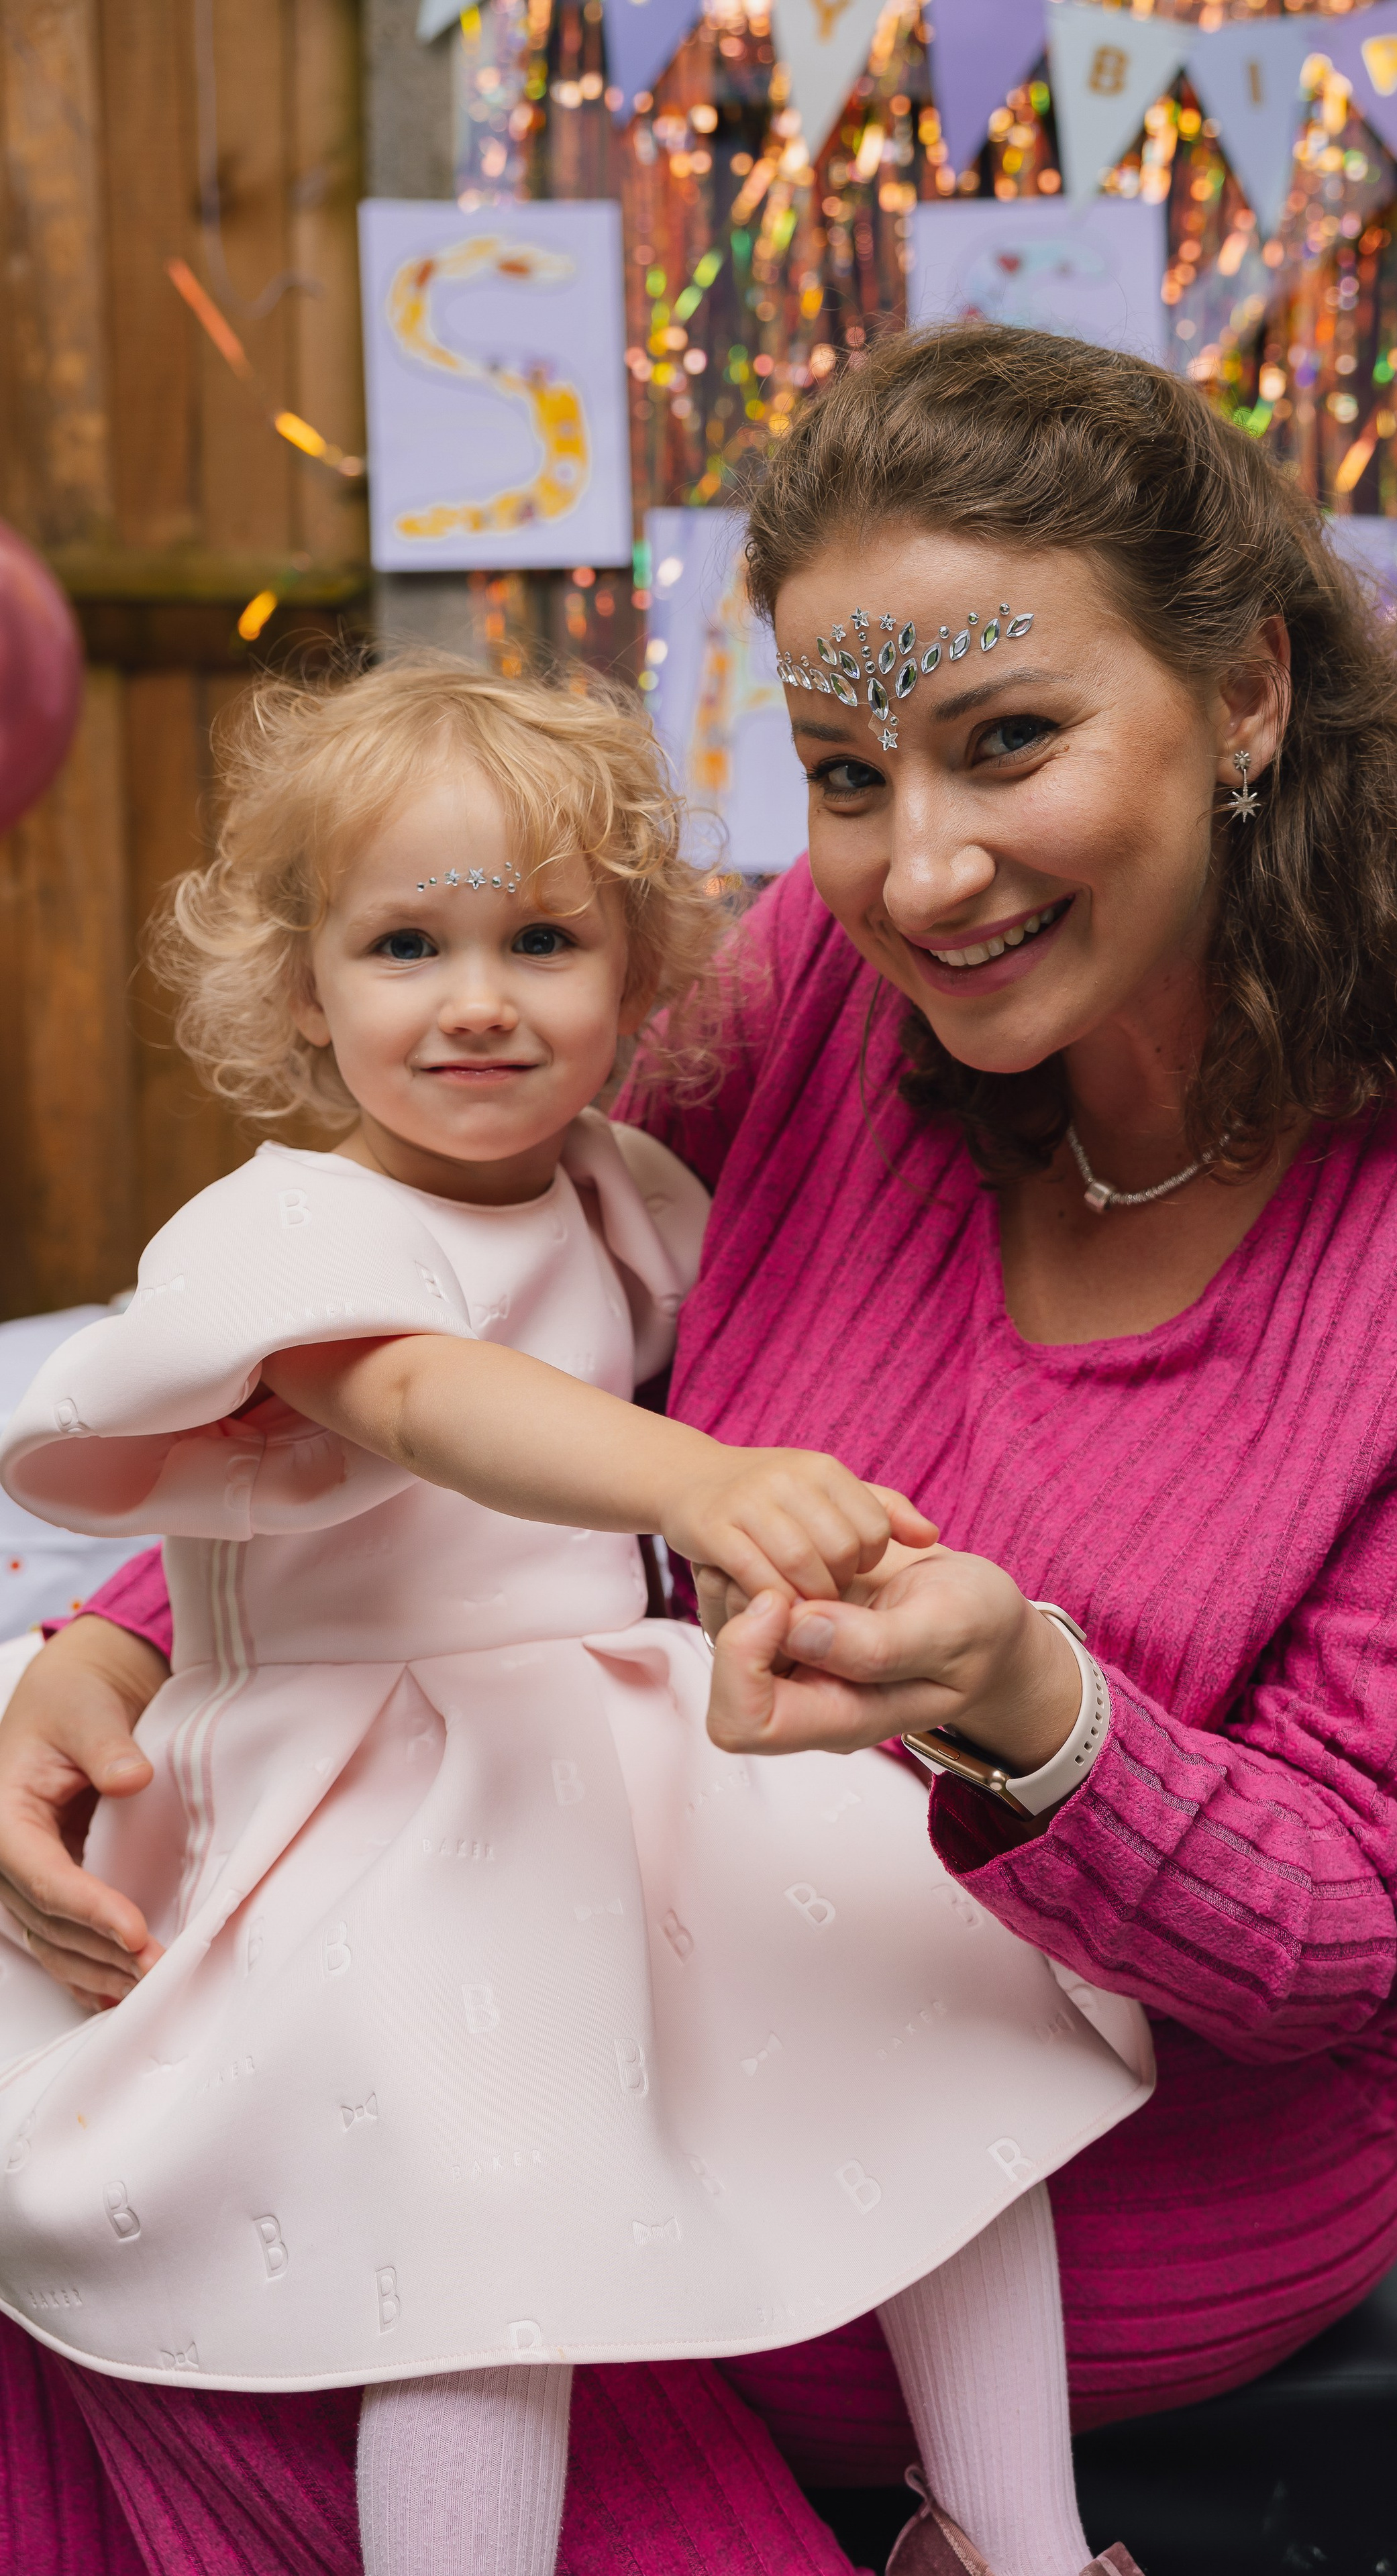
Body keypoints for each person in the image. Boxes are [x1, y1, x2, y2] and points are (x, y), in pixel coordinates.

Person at [0, 327, 1397, 2576]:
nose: (925, 869)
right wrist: (133, 1638)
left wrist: (1037, 1717)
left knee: (233, 2237)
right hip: (650, 1985)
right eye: (846, 773)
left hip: (1118, 2149)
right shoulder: (828, 988)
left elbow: (1356, 1933)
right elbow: (461, 1311)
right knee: (126, 2128)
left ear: (1249, 691)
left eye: (1010, 740)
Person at [0, 651, 1153, 2576]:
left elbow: (742, 1332)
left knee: (930, 2035)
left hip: (610, 1749)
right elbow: (420, 1397)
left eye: (542, 941)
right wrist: (696, 1482)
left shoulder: (619, 1191)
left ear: (631, 983)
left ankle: (1013, 2544)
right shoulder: (290, 1226)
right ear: (304, 986)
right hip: (377, 1799)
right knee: (478, 2235)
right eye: (403, 946)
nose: (477, 1000)